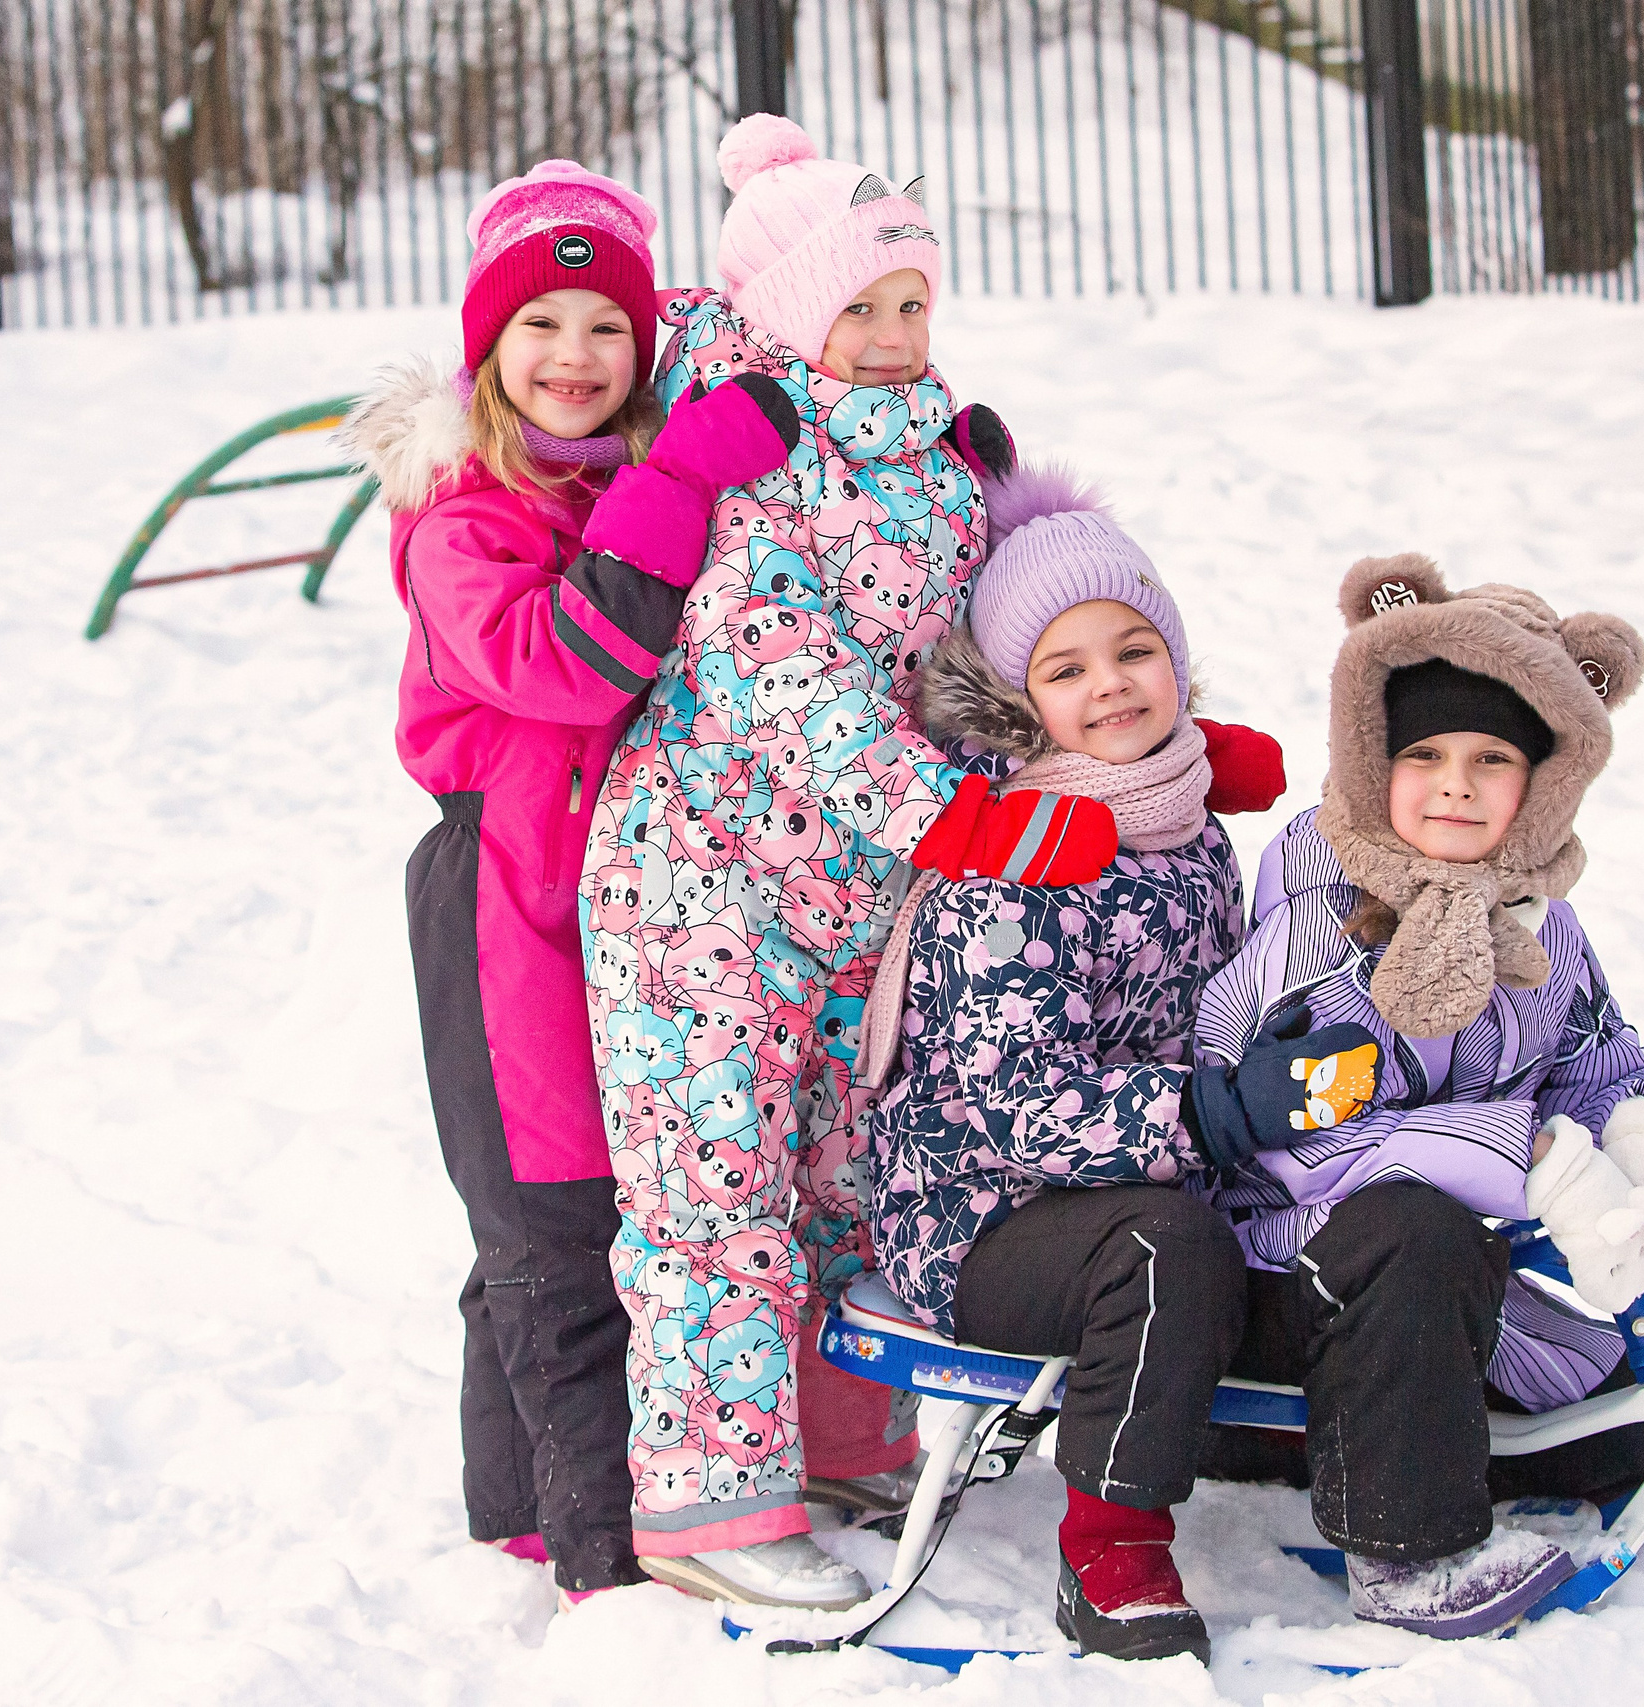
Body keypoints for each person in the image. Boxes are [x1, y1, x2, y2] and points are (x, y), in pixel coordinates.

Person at [574, 115, 1134, 1610]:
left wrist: (1122, 756)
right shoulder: (753, 452)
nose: (890, 335)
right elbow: (785, 675)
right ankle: (708, 1506)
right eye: (858, 307)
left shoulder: (950, 459)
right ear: (784, 312)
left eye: (911, 304)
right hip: (704, 891)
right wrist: (946, 814)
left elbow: (991, 648)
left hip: (865, 904)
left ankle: (827, 1434)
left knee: (842, 1171)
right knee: (716, 1185)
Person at [345, 158, 797, 1604]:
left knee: (584, 1204)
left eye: (606, 328)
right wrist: (675, 479)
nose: (576, 360)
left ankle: (519, 1511)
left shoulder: (606, 479)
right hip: (504, 892)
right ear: (491, 347)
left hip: (630, 888)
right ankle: (603, 1558)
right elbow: (567, 661)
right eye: (541, 325)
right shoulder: (460, 514)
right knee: (549, 1216)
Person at [1189, 556, 1644, 1639]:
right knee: (1412, 1226)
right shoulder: (1319, 918)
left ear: (1545, 785)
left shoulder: (1531, 918)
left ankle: (1430, 1440)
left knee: (1622, 1440)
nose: (1455, 785)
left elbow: (1592, 1051)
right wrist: (1524, 1154)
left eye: (1493, 760)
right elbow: (1307, 1144)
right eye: (1423, 755)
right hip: (1272, 1285)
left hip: (1421, 1308)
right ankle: (1407, 1551)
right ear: (1372, 762)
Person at [859, 468, 1255, 1663]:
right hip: (983, 1212)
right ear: (1021, 703)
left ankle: (1296, 1424)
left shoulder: (1188, 821)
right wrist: (1215, 1112)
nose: (1110, 687)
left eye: (1133, 650)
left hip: (1143, 1164)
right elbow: (1025, 1109)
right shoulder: (1021, 855)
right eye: (1066, 670)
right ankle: (1112, 1547)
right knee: (1164, 1244)